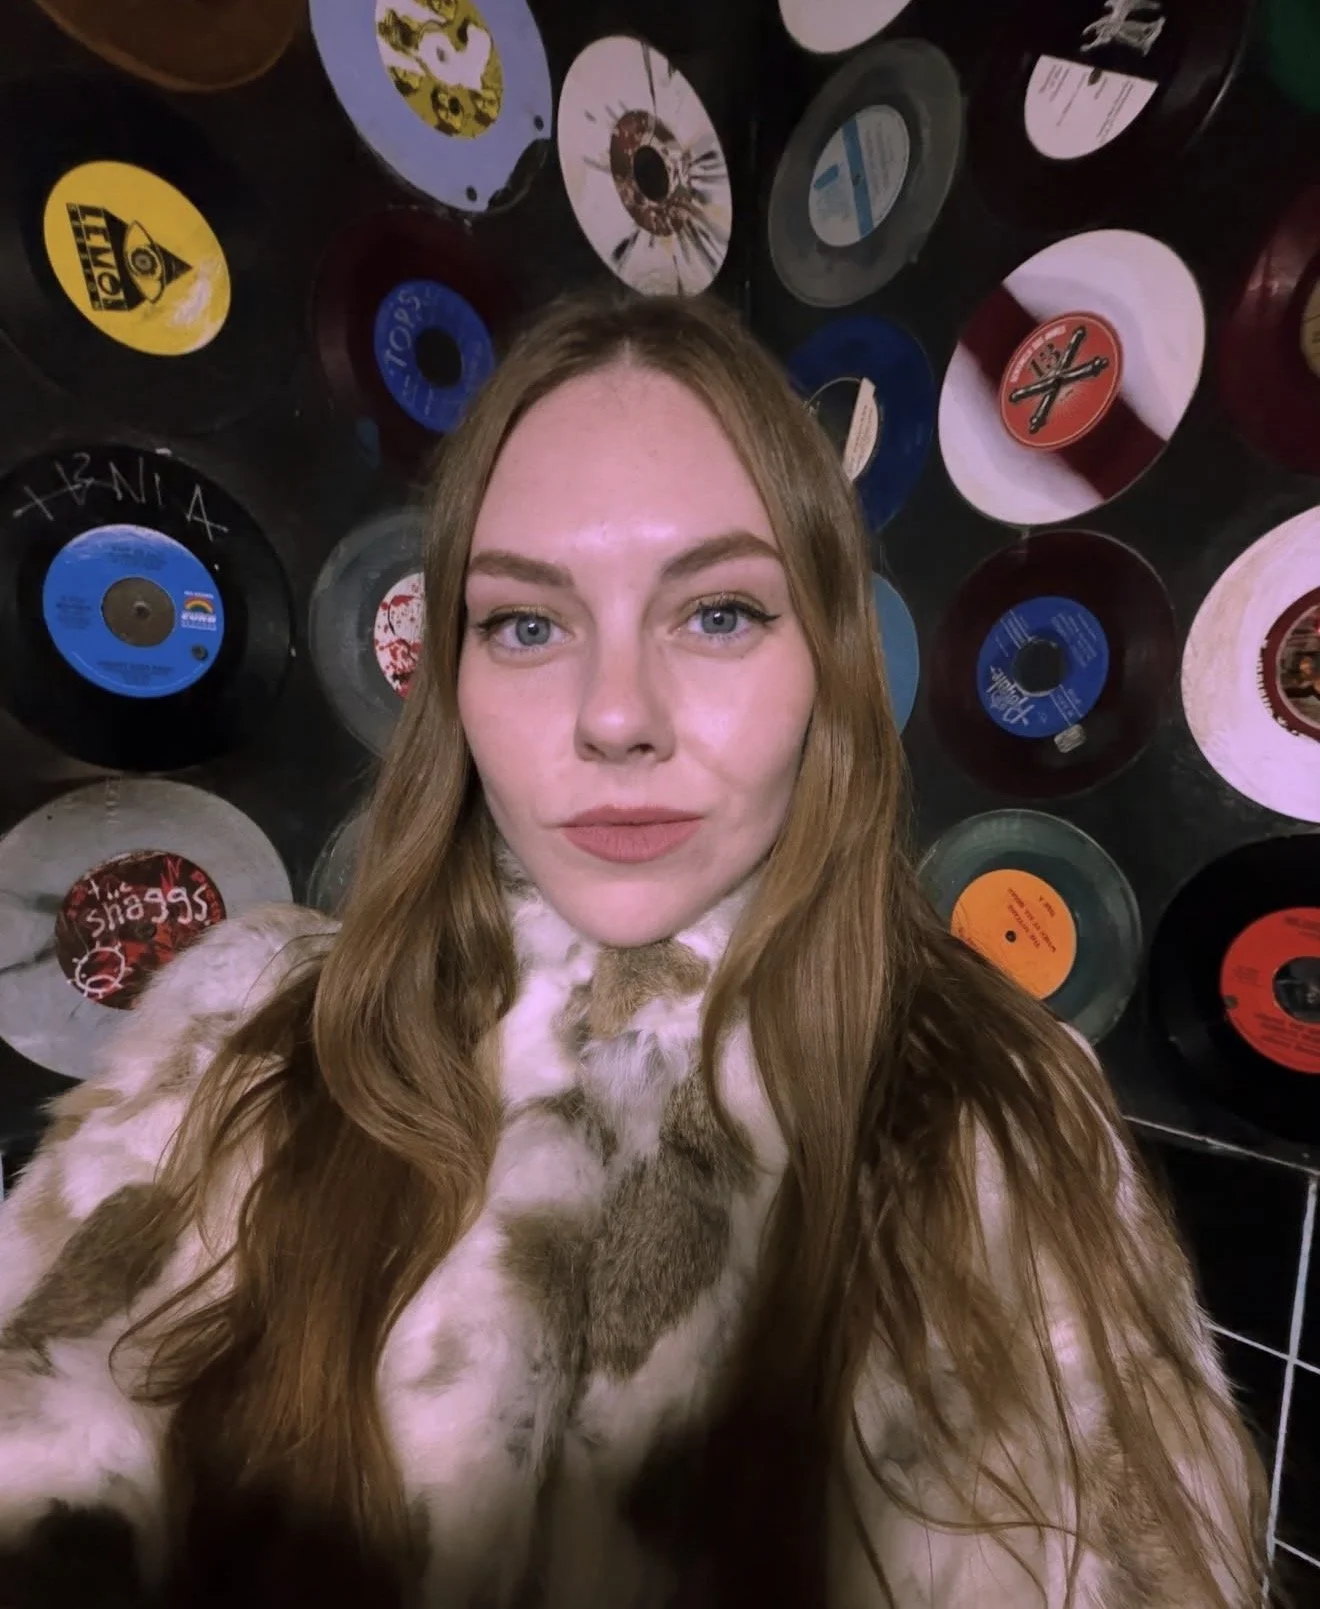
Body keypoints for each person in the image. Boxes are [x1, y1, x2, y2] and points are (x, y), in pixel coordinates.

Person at [0, 289, 1269, 1609]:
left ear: (830, 659)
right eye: (527, 624)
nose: (615, 717)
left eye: (717, 612)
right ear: (452, 678)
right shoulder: (240, 1053)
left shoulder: (1007, 1106)